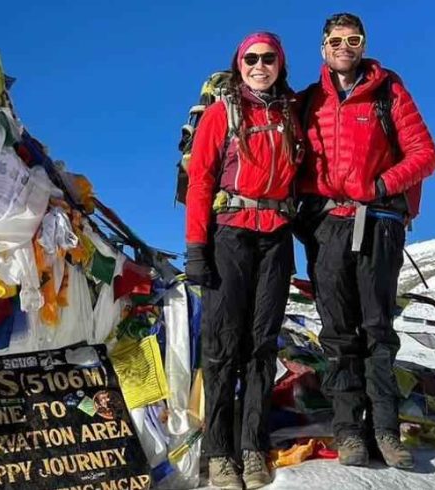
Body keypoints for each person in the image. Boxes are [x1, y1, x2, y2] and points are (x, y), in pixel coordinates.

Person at [295, 13, 435, 469]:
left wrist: (379, 186)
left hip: (377, 221)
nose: (344, 47)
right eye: (336, 40)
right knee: (337, 332)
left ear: (363, 44)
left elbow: (425, 154)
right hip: (327, 226)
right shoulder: (307, 100)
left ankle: (385, 431)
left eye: (353, 40)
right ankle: (349, 432)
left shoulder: (388, 90)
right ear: (323, 46)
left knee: (377, 329)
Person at [184, 31, 303, 490]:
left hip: (276, 239)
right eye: (250, 58)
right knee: (221, 345)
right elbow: (200, 182)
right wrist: (196, 247)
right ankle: (219, 453)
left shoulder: (291, 115)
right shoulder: (222, 112)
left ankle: (254, 448)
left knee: (262, 345)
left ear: (280, 64)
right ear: (239, 64)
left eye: (268, 58)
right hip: (229, 235)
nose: (259, 65)